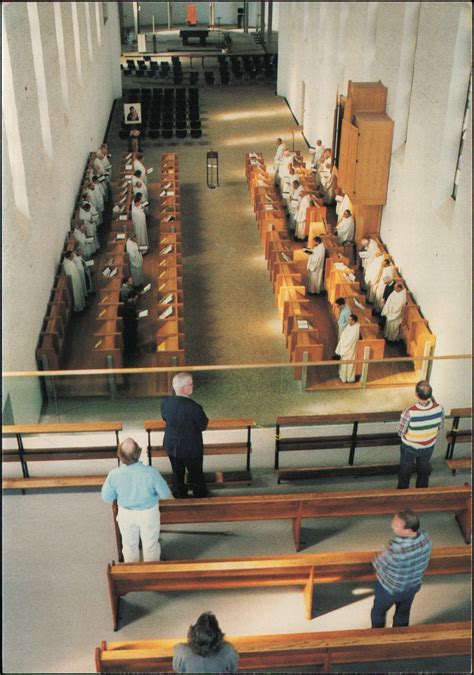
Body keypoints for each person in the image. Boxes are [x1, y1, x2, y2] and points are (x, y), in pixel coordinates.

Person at [101, 437, 172, 562]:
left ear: (119, 456)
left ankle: (132, 574)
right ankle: (153, 572)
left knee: (129, 546)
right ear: (139, 453)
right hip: (148, 513)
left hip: (126, 514)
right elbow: (165, 494)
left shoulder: (113, 474)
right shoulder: (151, 473)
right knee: (151, 545)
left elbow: (107, 497)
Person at [371, 510, 432, 628]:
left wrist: (381, 555)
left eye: (396, 525)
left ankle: (377, 635)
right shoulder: (426, 538)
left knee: (378, 612)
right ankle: (400, 634)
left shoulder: (396, 549)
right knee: (403, 612)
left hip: (390, 589)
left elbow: (378, 564)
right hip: (413, 586)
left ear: (408, 530)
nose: (392, 525)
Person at [161, 372, 209, 499]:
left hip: (171, 445)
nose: (193, 386)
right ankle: (199, 494)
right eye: (191, 384)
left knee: (177, 472)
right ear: (183, 388)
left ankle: (179, 494)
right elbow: (203, 425)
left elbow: (165, 417)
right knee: (196, 473)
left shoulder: (166, 402)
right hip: (191, 448)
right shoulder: (195, 407)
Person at [397, 380, 444, 489]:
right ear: (430, 395)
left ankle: (402, 494)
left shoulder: (409, 412)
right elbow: (440, 426)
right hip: (428, 446)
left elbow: (400, 432)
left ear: (416, 394)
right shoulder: (440, 408)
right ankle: (422, 494)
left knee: (405, 471)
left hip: (410, 447)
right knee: (423, 470)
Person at [173, 612, 239, 674]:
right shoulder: (228, 651)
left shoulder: (181, 652)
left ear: (194, 632)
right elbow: (233, 669)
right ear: (218, 634)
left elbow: (177, 669)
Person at [335, 314, 360, 383]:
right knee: (344, 363)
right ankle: (343, 376)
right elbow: (343, 334)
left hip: (349, 349)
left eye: (349, 320)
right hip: (345, 346)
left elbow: (350, 341)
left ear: (353, 321)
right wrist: (342, 340)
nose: (347, 320)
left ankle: (349, 378)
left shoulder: (355, 329)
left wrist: (343, 343)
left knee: (349, 364)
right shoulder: (350, 325)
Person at [121, 291, 139, 356]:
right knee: (131, 339)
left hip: (129, 325)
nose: (135, 300)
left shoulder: (127, 303)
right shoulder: (129, 307)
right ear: (131, 298)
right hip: (130, 326)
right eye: (135, 299)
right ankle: (132, 352)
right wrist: (136, 318)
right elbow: (131, 317)